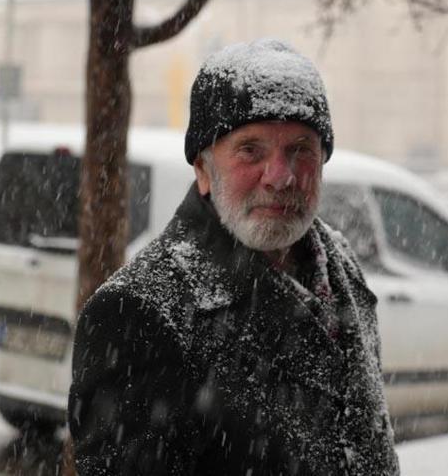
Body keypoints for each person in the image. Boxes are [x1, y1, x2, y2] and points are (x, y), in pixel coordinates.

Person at [68, 39, 399, 475]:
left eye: (300, 149)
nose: (280, 177)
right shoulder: (139, 314)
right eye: (251, 150)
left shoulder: (338, 265)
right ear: (204, 169)